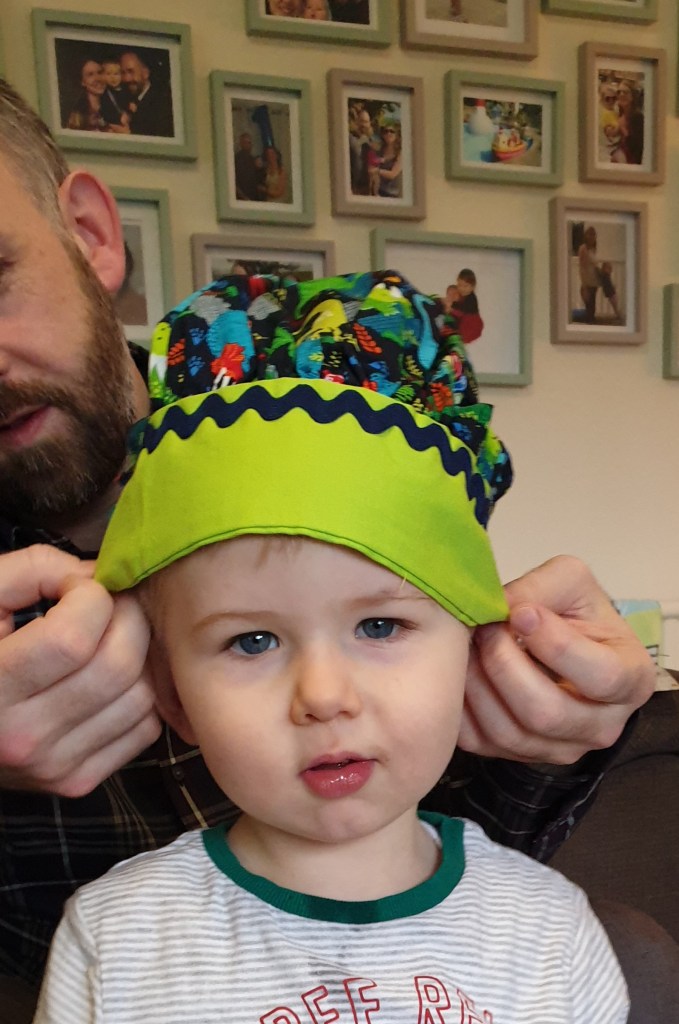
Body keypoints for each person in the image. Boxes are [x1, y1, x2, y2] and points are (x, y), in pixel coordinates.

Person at [0, 77, 659, 1020]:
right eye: (250, 640)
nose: (324, 696)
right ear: (169, 692)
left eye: (380, 624)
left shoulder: (547, 935)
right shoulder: (117, 938)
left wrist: (561, 719)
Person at [119, 50, 174, 138]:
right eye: (123, 73)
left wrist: (129, 136)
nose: (126, 78)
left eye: (131, 71)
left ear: (145, 73)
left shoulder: (163, 103)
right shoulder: (122, 99)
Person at [577, 225, 622, 324]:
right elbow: (582, 268)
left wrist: (605, 270)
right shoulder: (583, 249)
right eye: (589, 234)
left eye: (593, 235)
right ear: (586, 236)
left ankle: (617, 312)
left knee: (607, 283)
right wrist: (584, 286)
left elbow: (594, 265)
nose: (591, 237)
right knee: (590, 310)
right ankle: (588, 320)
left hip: (595, 279)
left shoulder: (593, 249)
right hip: (588, 281)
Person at [443, 268, 484, 346]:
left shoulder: (471, 299)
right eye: (459, 285)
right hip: (460, 319)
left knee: (457, 335)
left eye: (465, 286)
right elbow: (455, 303)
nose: (462, 288)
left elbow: (462, 314)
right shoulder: (460, 294)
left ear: (472, 287)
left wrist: (451, 310)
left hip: (470, 324)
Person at [613, 79, 644, 166]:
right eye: (619, 92)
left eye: (625, 92)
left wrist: (623, 128)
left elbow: (638, 147)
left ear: (633, 96)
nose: (621, 95)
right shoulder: (621, 114)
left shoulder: (637, 117)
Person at [233, 131, 264, 201]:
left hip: (254, 197)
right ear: (241, 143)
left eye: (249, 142)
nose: (248, 145)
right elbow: (234, 180)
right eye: (245, 142)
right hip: (242, 198)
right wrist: (243, 196)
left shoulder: (253, 159)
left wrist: (259, 168)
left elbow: (258, 180)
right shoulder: (237, 159)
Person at [598, 79, 621, 163]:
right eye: (607, 98)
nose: (611, 101)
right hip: (608, 149)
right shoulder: (603, 113)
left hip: (616, 146)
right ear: (601, 98)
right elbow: (610, 133)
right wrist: (621, 124)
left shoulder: (615, 110)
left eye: (614, 98)